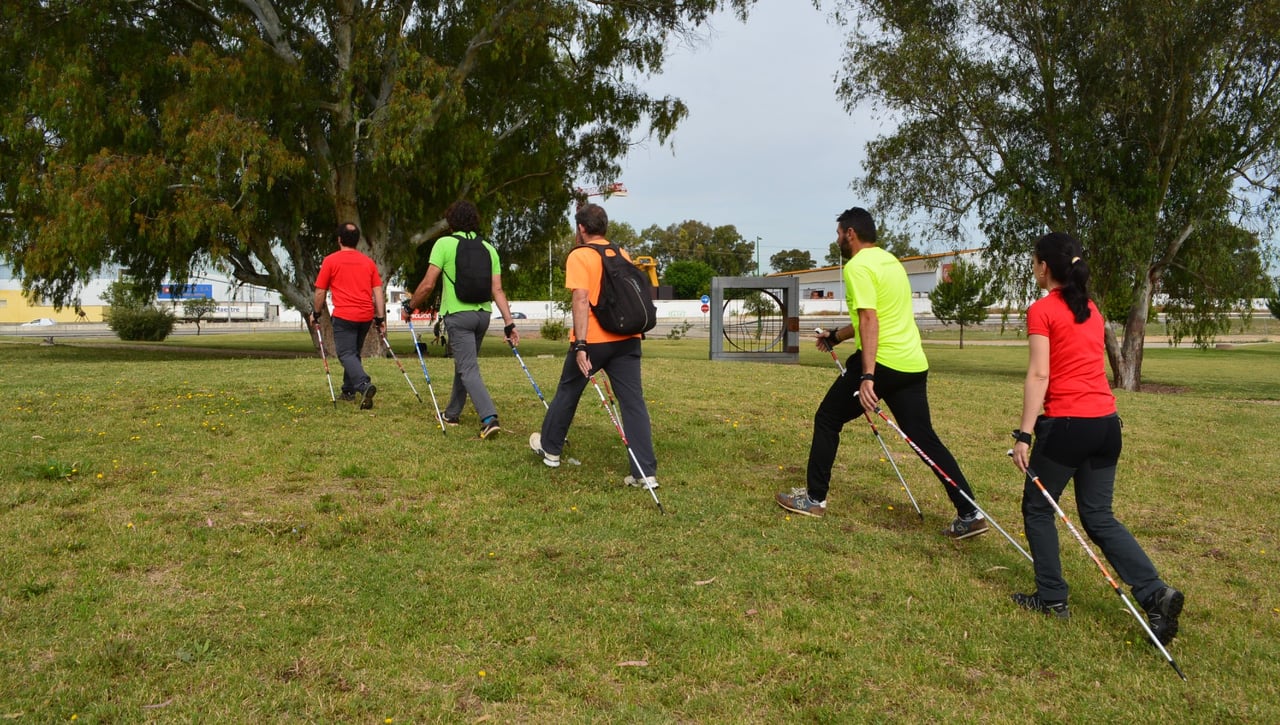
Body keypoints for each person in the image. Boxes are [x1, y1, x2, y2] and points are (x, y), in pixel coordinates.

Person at [1008, 232, 1183, 641]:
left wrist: (1024, 434)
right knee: (1098, 516)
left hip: (1068, 426)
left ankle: (1052, 598)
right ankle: (1156, 593)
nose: (1033, 268)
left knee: (1037, 507)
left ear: (1044, 266)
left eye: (1034, 261)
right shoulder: (1091, 309)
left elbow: (1038, 374)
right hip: (1106, 425)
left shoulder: (1042, 310)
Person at [775, 207, 987, 538]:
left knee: (827, 418)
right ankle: (969, 513)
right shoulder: (891, 262)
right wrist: (835, 336)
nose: (837, 240)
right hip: (912, 364)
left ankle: (814, 500)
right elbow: (871, 319)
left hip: (882, 364)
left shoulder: (858, 266)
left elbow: (871, 319)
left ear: (850, 234)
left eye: (838, 234)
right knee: (924, 439)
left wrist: (868, 375)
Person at [530, 203, 658, 490]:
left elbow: (580, 298)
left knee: (568, 391)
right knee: (633, 402)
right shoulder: (621, 253)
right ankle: (645, 472)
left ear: (581, 228)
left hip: (595, 340)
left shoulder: (580, 255)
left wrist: (581, 345)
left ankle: (550, 449)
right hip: (627, 339)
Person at [405, 200, 519, 439]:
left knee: (467, 368)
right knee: (464, 365)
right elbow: (497, 290)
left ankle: (489, 418)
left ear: (451, 222)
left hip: (458, 315)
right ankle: (452, 413)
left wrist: (410, 306)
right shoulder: (489, 248)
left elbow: (427, 284)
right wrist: (509, 324)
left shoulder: (444, 244)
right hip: (482, 315)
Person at [312, 222, 386, 409]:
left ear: (339, 239)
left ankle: (363, 384)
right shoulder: (368, 262)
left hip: (345, 315)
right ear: (357, 240)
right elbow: (378, 292)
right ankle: (348, 390)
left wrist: (316, 313)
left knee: (345, 354)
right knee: (353, 353)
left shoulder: (330, 261)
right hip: (365, 316)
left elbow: (320, 292)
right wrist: (380, 318)